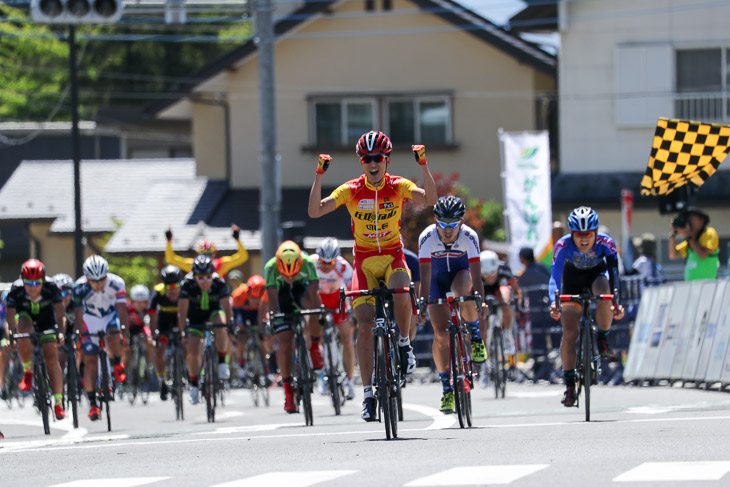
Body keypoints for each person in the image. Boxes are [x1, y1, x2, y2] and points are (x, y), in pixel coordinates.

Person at [308, 130, 437, 422]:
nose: (373, 163)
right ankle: (368, 394)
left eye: (378, 158)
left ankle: (403, 344)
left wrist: (423, 164)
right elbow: (315, 211)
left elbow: (430, 199)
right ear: (361, 162)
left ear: (387, 159)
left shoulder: (397, 185)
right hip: (364, 262)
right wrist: (318, 174)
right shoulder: (351, 189)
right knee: (364, 327)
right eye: (367, 159)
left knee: (403, 288)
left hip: (393, 255)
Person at [548, 206, 625, 407]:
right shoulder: (562, 245)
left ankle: (602, 337)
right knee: (570, 332)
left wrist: (617, 301)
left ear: (596, 233)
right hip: (571, 282)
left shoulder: (606, 243)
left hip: (597, 278)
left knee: (604, 290)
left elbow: (615, 274)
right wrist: (553, 302)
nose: (584, 240)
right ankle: (570, 384)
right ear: (572, 234)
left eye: (589, 235)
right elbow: (554, 278)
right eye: (579, 235)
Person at [417, 196, 485, 414]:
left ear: (461, 223)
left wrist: (480, 300)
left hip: (461, 276)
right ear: (436, 221)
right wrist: (422, 304)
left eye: (453, 224)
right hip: (436, 280)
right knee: (440, 334)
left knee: (463, 289)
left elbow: (476, 275)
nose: (447, 230)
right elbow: (425, 276)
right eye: (443, 224)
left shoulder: (469, 236)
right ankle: (447, 388)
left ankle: (474, 336)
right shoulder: (427, 237)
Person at [264, 240, 322, 413]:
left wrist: (318, 314)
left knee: (313, 309)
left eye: (293, 273)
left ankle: (314, 348)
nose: (289, 277)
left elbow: (314, 294)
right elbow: (273, 300)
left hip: (301, 293)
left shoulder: (309, 263)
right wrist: (275, 320)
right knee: (285, 344)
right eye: (286, 274)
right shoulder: (270, 267)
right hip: (282, 298)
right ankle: (288, 393)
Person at [6, 259, 67, 420]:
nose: (33, 288)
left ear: (43, 280)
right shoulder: (16, 289)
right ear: (22, 280)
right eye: (29, 284)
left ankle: (59, 403)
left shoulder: (51, 287)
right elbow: (11, 319)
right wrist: (12, 337)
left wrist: (60, 333)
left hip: (47, 319)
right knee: (24, 330)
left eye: (37, 283)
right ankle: (28, 370)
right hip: (25, 318)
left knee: (52, 358)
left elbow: (61, 316)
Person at [74, 255, 129, 421]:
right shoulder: (79, 287)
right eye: (94, 281)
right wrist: (78, 335)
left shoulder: (117, 283)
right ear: (87, 279)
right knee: (90, 361)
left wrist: (124, 332)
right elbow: (78, 314)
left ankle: (117, 362)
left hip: (109, 317)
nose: (98, 284)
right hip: (89, 320)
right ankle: (93, 404)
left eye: (102, 279)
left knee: (114, 336)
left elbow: (122, 310)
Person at [177, 255, 233, 404]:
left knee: (221, 327)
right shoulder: (187, 284)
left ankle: (222, 361)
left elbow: (227, 307)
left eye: (208, 277)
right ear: (194, 276)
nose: (205, 281)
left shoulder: (219, 283)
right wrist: (183, 331)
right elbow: (182, 311)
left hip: (213, 312)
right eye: (200, 278)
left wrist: (230, 325)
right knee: (193, 351)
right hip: (194, 317)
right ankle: (194, 385)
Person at [311, 237, 356, 400]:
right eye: (323, 261)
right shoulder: (311, 263)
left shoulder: (343, 266)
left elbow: (351, 290)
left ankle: (350, 381)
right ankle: (323, 376)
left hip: (338, 301)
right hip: (320, 300)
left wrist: (352, 311)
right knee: (317, 336)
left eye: (330, 263)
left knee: (347, 339)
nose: (325, 265)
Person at [148, 265, 184, 401]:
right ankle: (162, 380)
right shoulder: (158, 292)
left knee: (187, 343)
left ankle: (188, 372)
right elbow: (152, 315)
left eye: (176, 286)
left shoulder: (185, 291)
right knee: (159, 349)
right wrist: (154, 335)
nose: (173, 290)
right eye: (169, 287)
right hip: (163, 319)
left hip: (180, 318)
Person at [480, 250, 522, 360]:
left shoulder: (504, 268)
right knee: (481, 321)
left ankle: (508, 334)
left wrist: (518, 307)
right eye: (485, 274)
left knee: (506, 301)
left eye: (492, 273)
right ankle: (484, 352)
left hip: (499, 289)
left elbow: (517, 291)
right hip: (482, 291)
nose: (489, 277)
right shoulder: (475, 273)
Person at [164, 224, 248, 280]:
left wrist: (238, 240)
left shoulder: (221, 264)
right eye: (204, 254)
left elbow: (243, 257)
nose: (206, 257)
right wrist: (169, 241)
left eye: (209, 254)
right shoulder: (194, 264)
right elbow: (171, 259)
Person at [231, 274, 272, 383]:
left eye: (257, 299)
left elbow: (265, 313)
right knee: (241, 336)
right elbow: (235, 316)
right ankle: (242, 367)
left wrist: (262, 328)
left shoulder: (266, 294)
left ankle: (266, 370)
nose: (254, 301)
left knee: (262, 339)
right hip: (242, 312)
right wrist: (237, 329)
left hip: (257, 312)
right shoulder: (238, 294)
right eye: (252, 298)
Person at [517, 247, 552, 356]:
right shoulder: (542, 267)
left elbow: (518, 287)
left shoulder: (527, 275)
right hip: (551, 308)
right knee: (556, 338)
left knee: (539, 343)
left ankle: (540, 367)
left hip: (537, 312)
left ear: (523, 258)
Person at [668, 207, 719, 281]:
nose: (689, 223)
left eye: (691, 220)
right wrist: (673, 234)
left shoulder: (709, 233)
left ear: (702, 220)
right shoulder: (689, 243)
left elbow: (702, 254)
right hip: (691, 288)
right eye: (687, 220)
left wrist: (689, 236)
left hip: (707, 286)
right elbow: (672, 255)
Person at [124, 284, 154, 373]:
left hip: (141, 328)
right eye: (137, 302)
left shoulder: (149, 307)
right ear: (133, 301)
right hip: (129, 329)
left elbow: (151, 322)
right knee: (126, 349)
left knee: (150, 342)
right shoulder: (126, 307)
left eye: (143, 302)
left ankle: (150, 366)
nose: (140, 305)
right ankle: (124, 369)